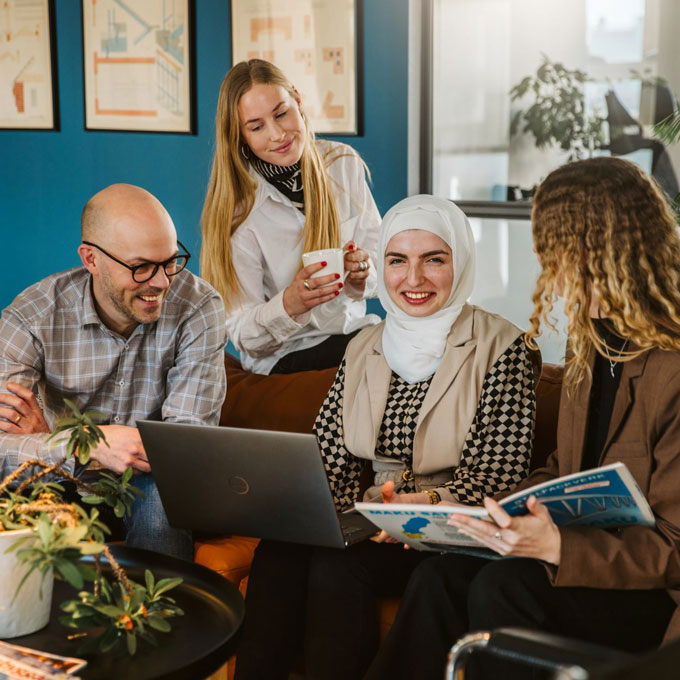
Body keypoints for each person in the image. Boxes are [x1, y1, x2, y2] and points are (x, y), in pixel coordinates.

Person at [366, 157, 680, 680]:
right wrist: (477, 514)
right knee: (438, 576)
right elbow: (566, 468)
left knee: (504, 587)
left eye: (552, 242)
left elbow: (674, 550)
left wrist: (556, 545)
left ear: (603, 250)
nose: (539, 256)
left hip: (653, 596)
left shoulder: (671, 368)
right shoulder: (592, 343)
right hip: (590, 563)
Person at [234, 195, 538, 679]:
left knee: (339, 567)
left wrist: (419, 506)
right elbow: (327, 453)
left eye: (433, 260)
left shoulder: (505, 346)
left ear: (459, 262)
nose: (412, 280)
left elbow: (499, 474)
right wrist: (341, 513)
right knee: (279, 549)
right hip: (372, 520)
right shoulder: (364, 346)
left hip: (450, 532)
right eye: (397, 261)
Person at [0, 184, 227, 561]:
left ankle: (151, 618)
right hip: (55, 480)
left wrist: (52, 438)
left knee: (162, 501)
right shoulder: (30, 318)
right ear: (90, 259)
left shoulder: (198, 306)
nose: (162, 282)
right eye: (141, 267)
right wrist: (87, 446)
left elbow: (186, 447)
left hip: (149, 483)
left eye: (170, 261)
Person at [200, 59, 381, 375]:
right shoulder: (238, 212)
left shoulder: (342, 164)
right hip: (287, 355)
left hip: (354, 334)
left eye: (281, 113)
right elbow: (242, 334)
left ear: (297, 100)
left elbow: (380, 261)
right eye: (257, 127)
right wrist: (289, 305)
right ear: (239, 135)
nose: (277, 134)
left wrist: (362, 273)